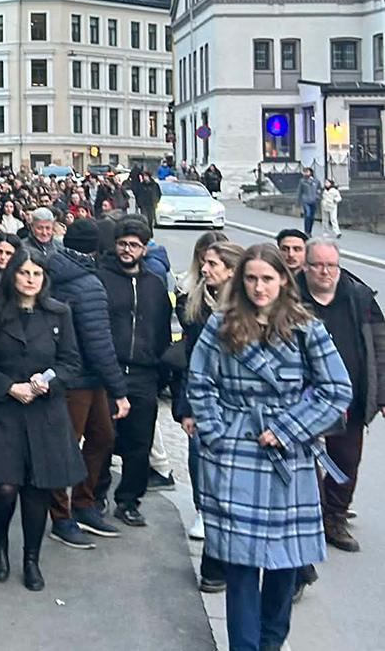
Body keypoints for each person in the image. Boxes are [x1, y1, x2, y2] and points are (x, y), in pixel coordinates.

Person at [187, 243, 352, 651]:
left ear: (283, 279)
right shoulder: (222, 324)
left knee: (285, 564)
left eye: (267, 278)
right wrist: (217, 435)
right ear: (241, 281)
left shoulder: (306, 327)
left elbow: (337, 389)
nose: (259, 287)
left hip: (288, 457)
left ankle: (271, 643)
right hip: (235, 452)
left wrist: (288, 428)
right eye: (251, 278)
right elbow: (200, 382)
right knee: (241, 566)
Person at [0, 249, 86, 592]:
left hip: (43, 411)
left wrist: (46, 383)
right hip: (2, 409)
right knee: (5, 486)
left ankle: (31, 559)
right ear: (12, 275)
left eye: (37, 273)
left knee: (38, 489)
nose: (31, 279)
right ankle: (0, 546)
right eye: (24, 272)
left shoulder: (59, 312)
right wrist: (8, 387)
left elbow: (71, 362)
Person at [44, 220, 131, 548]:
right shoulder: (89, 282)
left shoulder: (55, 270)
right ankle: (63, 515)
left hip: (78, 374)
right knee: (70, 446)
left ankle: (82, 503)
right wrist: (119, 389)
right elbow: (99, 342)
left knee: (100, 437)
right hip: (80, 377)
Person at [297, 238, 385, 553]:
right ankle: (310, 514)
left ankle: (334, 517)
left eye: (330, 265)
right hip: (303, 399)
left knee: (346, 460)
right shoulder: (289, 296)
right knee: (304, 459)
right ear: (306, 266)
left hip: (351, 396)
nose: (324, 271)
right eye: (317, 264)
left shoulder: (359, 297)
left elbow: (380, 345)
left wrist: (382, 392)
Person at [174, 240, 244, 592]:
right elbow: (191, 360)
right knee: (204, 467)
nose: (205, 269)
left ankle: (297, 568)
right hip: (206, 405)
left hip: (240, 412)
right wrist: (187, 407)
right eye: (204, 262)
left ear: (231, 270)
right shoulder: (198, 302)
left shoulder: (247, 307)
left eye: (213, 264)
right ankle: (214, 564)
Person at [95, 217, 173, 527]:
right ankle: (96, 495)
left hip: (144, 373)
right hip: (109, 371)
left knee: (140, 443)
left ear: (144, 248)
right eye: (123, 244)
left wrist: (159, 365)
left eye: (134, 245)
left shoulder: (154, 283)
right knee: (103, 439)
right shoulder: (101, 278)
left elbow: (162, 329)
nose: (128, 250)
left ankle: (128, 500)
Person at [296, 168, 322, 235]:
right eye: (304, 172)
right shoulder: (302, 181)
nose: (306, 173)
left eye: (307, 172)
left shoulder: (316, 181)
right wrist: (298, 201)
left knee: (312, 217)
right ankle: (306, 231)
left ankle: (309, 231)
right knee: (307, 215)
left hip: (314, 200)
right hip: (306, 200)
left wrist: (318, 197)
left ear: (310, 172)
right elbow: (299, 191)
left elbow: (319, 190)